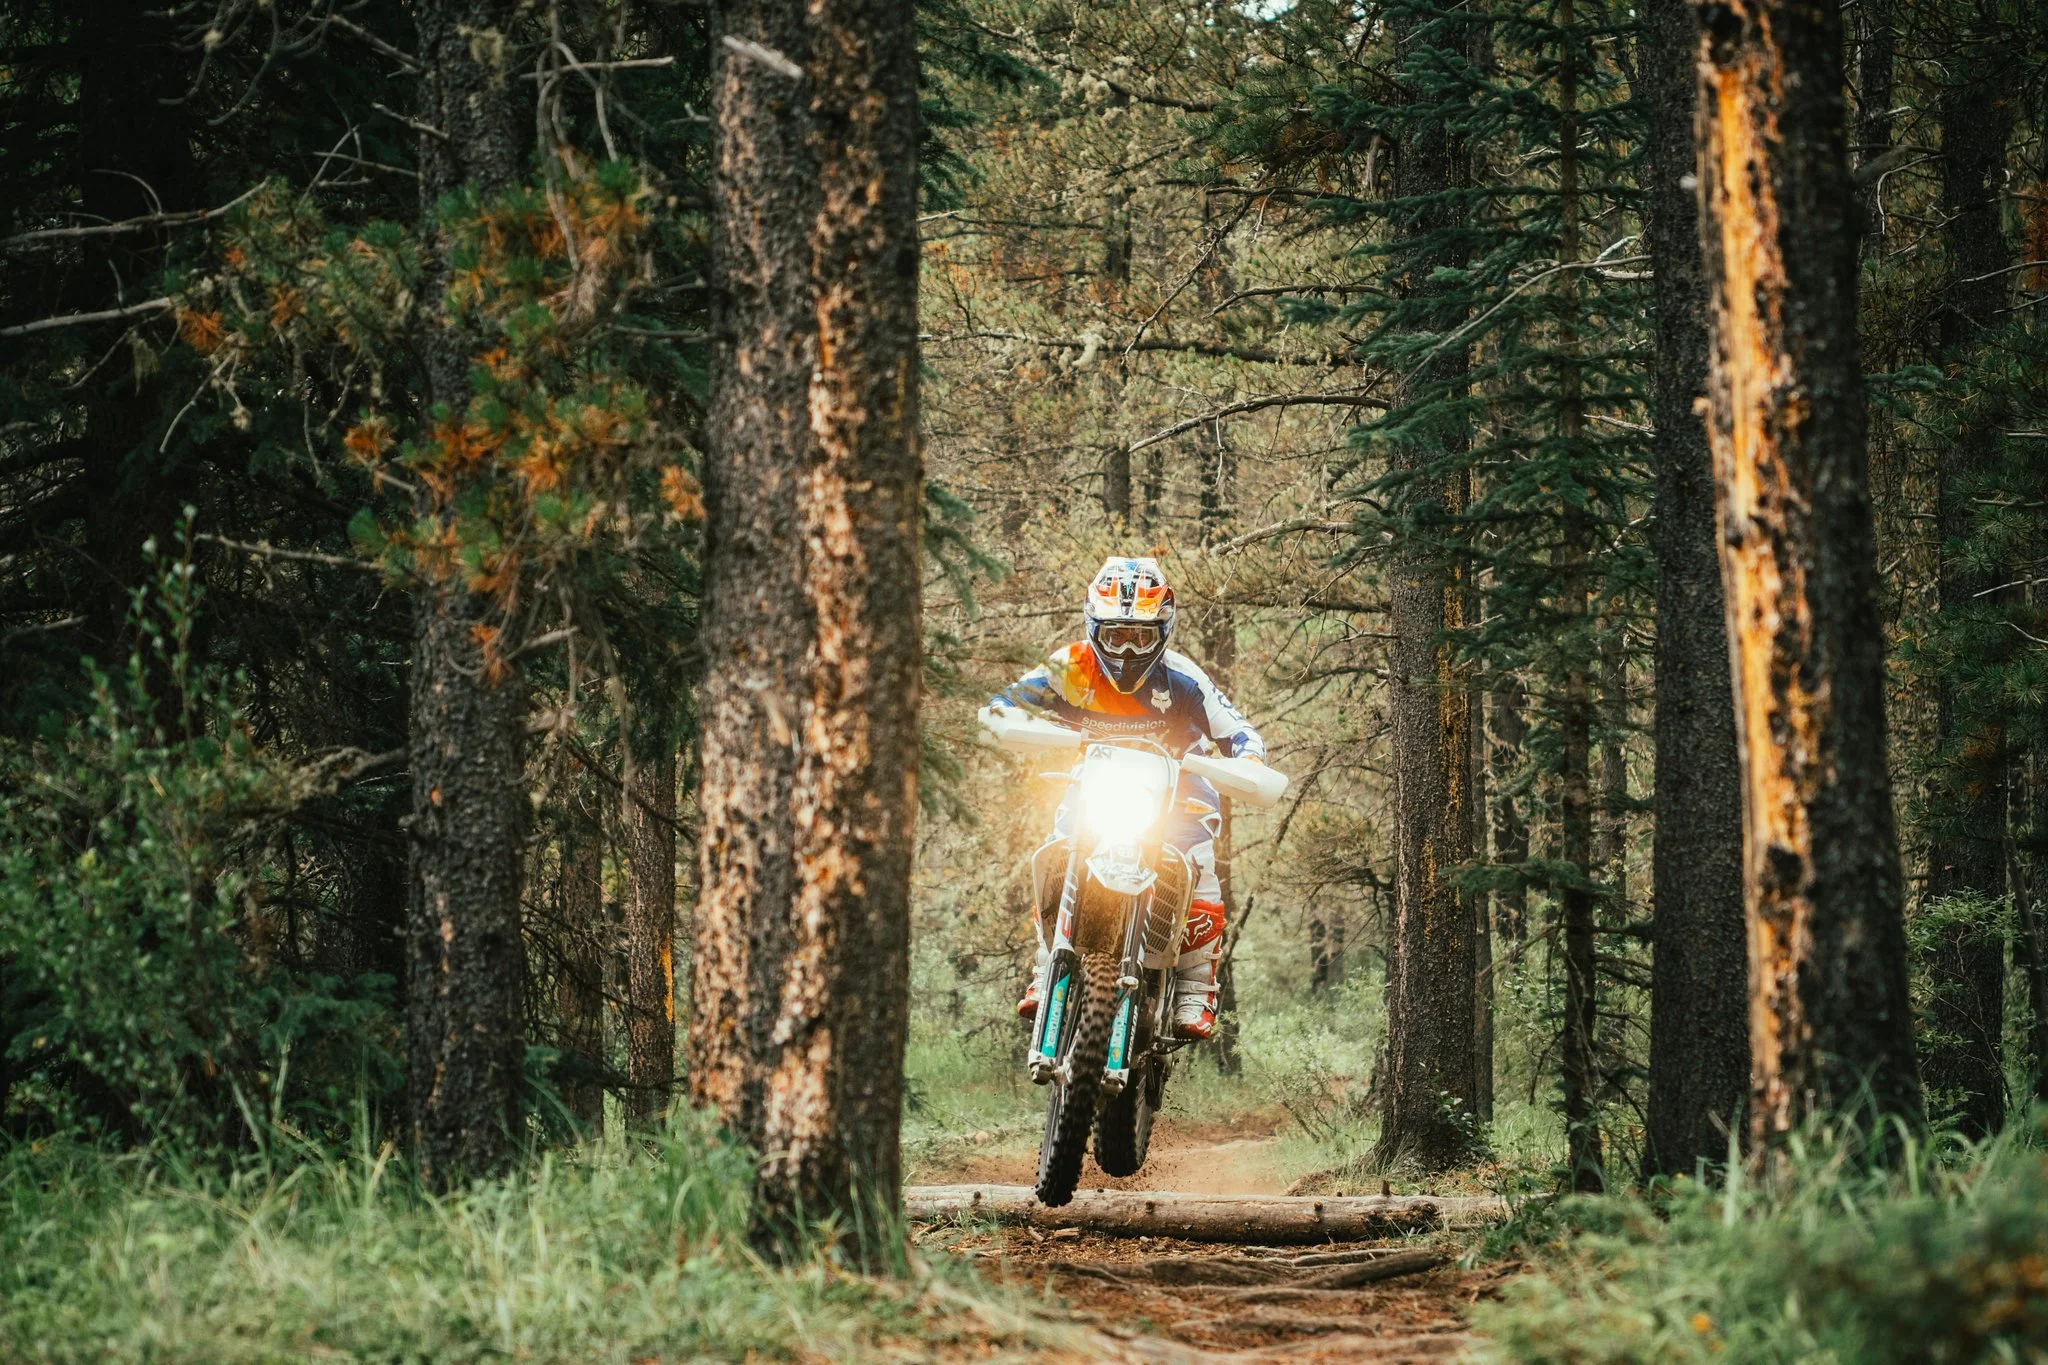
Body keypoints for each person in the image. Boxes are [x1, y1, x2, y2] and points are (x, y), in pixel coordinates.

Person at [986, 556, 1266, 1040]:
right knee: (1058, 847)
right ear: (1095, 627)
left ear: (1164, 631)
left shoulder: (1183, 677)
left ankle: (1198, 986)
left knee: (1197, 859)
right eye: (1116, 635)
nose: (1128, 648)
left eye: (1141, 636)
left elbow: (1237, 730)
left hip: (1176, 787)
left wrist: (1249, 763)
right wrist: (1009, 721)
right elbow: (1003, 705)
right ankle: (1046, 963)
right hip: (1096, 783)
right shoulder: (1069, 666)